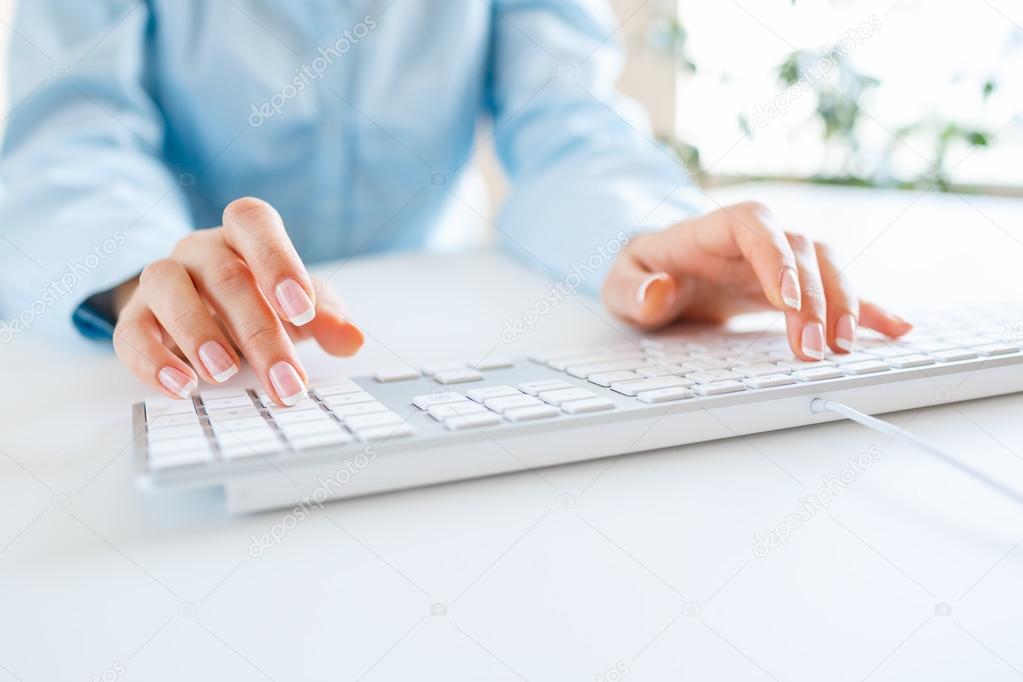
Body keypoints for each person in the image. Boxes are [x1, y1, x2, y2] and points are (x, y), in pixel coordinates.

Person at [0, 0, 910, 406]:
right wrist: (136, 273)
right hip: (172, 373)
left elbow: (565, 118)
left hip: (423, 340)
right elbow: (69, 138)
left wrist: (647, 234)